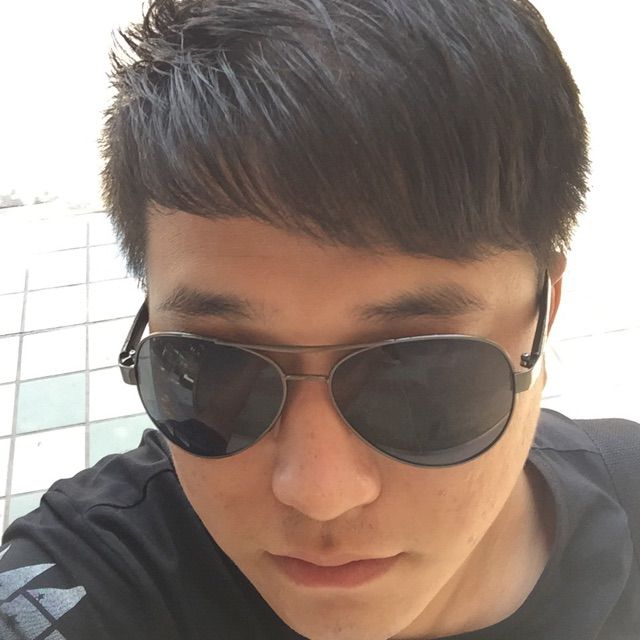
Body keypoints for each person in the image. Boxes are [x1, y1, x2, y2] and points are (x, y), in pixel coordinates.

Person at [1, 0, 638, 638]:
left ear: (545, 313)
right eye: (214, 366)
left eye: (419, 374)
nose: (318, 493)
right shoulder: (94, 575)